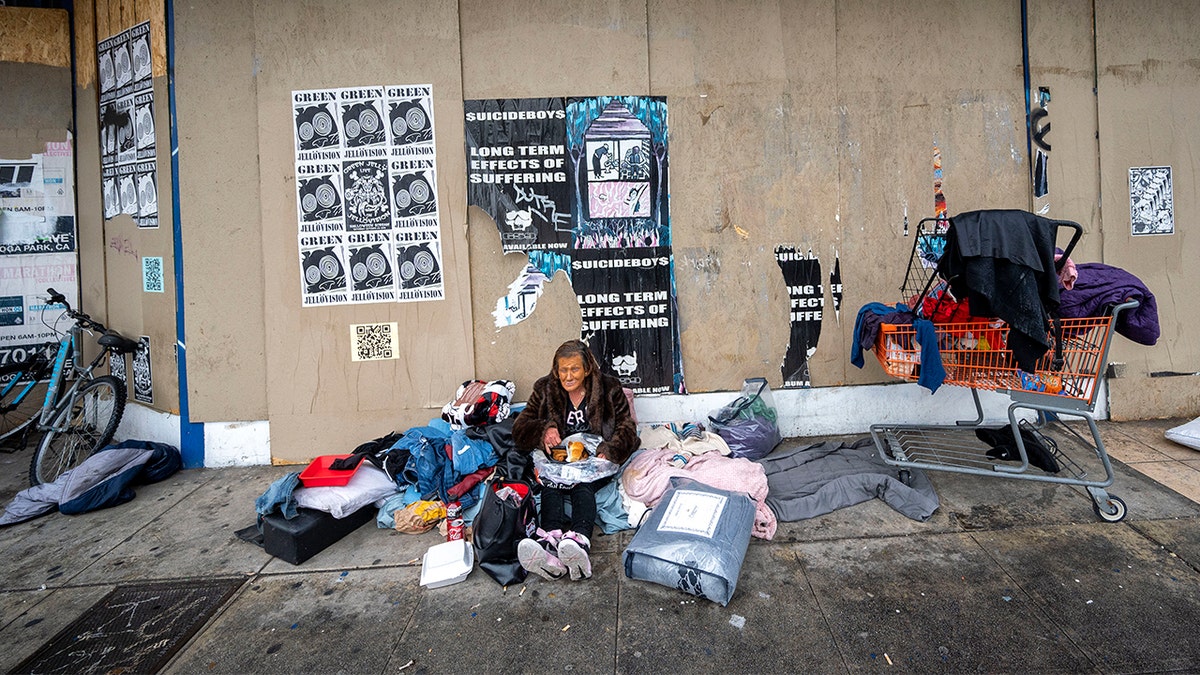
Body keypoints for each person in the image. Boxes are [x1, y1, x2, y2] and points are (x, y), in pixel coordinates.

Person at [511, 339, 638, 580]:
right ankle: (550, 544)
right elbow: (520, 428)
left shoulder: (609, 389)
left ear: (587, 368)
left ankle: (579, 541)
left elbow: (627, 427)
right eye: (563, 370)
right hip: (559, 463)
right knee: (552, 484)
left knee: (582, 485)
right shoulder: (544, 389)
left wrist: (610, 449)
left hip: (595, 462)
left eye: (575, 369)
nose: (568, 376)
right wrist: (543, 430)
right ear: (556, 370)